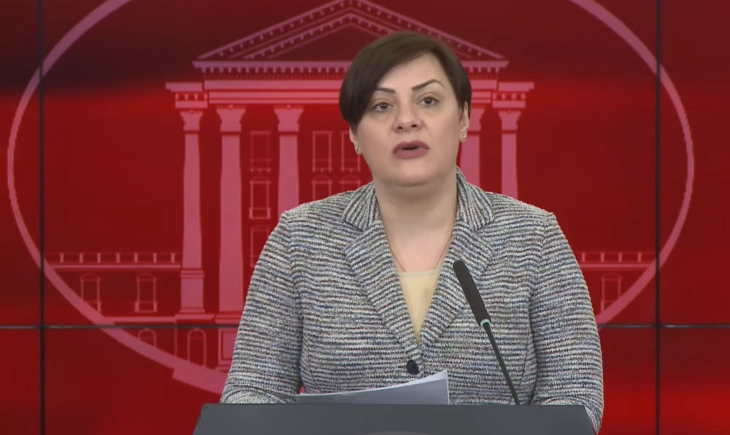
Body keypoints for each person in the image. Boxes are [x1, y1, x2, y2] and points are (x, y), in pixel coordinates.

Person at [220, 31, 604, 433]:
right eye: (381, 106)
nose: (406, 120)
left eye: (429, 100)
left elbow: (574, 393)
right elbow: (252, 391)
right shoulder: (299, 239)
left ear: (463, 118)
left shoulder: (533, 237)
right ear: (354, 133)